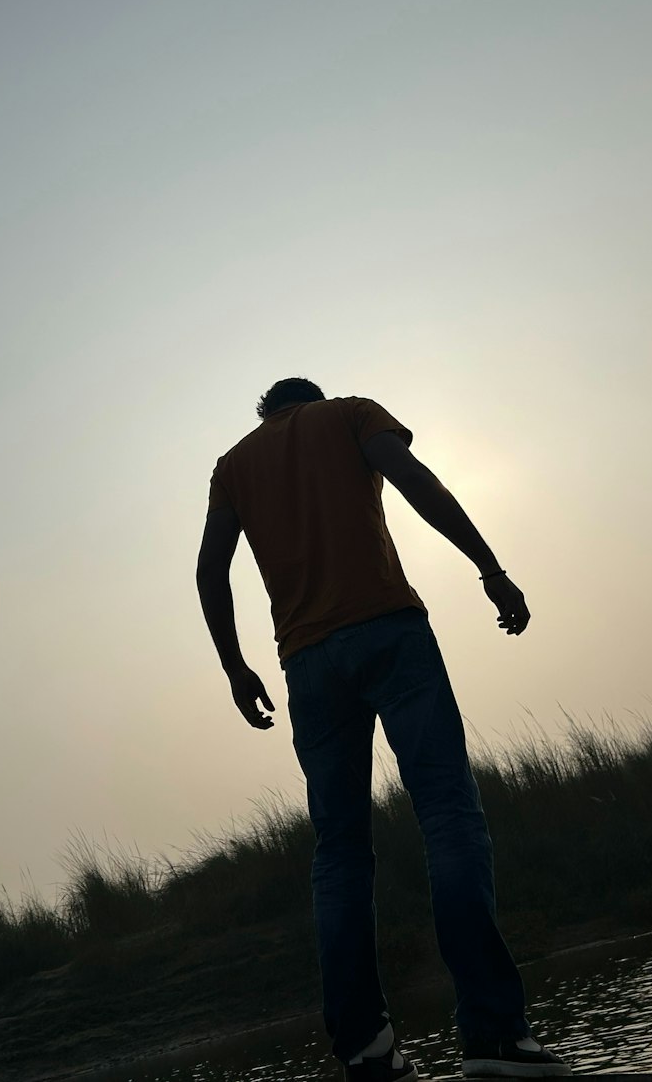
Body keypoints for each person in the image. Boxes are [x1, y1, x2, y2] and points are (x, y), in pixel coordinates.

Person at [196, 377, 571, 1082]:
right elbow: (410, 477)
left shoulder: (234, 464)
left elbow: (210, 568)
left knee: (339, 854)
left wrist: (234, 667)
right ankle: (492, 1036)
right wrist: (490, 568)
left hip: (306, 663)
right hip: (390, 632)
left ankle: (368, 1049)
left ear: (268, 412)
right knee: (448, 816)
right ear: (311, 400)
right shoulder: (349, 415)